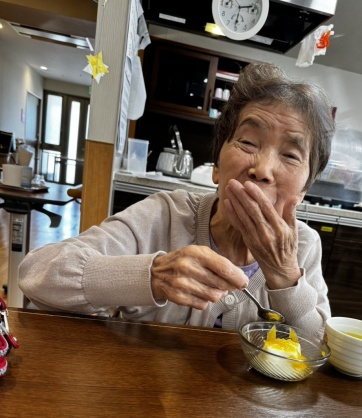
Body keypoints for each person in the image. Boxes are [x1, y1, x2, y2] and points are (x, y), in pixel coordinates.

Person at [18, 63, 335, 337]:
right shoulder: (165, 215)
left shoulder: (304, 247)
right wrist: (154, 275)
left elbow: (319, 345)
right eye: (248, 142)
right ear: (216, 166)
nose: (262, 170)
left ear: (303, 190)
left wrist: (285, 278)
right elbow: (36, 275)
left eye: (290, 155)